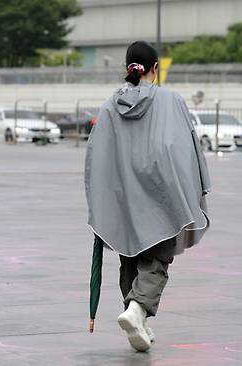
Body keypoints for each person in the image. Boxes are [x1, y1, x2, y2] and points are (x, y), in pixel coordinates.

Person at [85, 41, 211, 351]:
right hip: (160, 198)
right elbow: (184, 149)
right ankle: (137, 310)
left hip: (124, 200)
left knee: (130, 259)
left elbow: (95, 156)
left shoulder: (109, 106)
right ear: (155, 67)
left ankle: (140, 323)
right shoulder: (171, 101)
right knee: (156, 260)